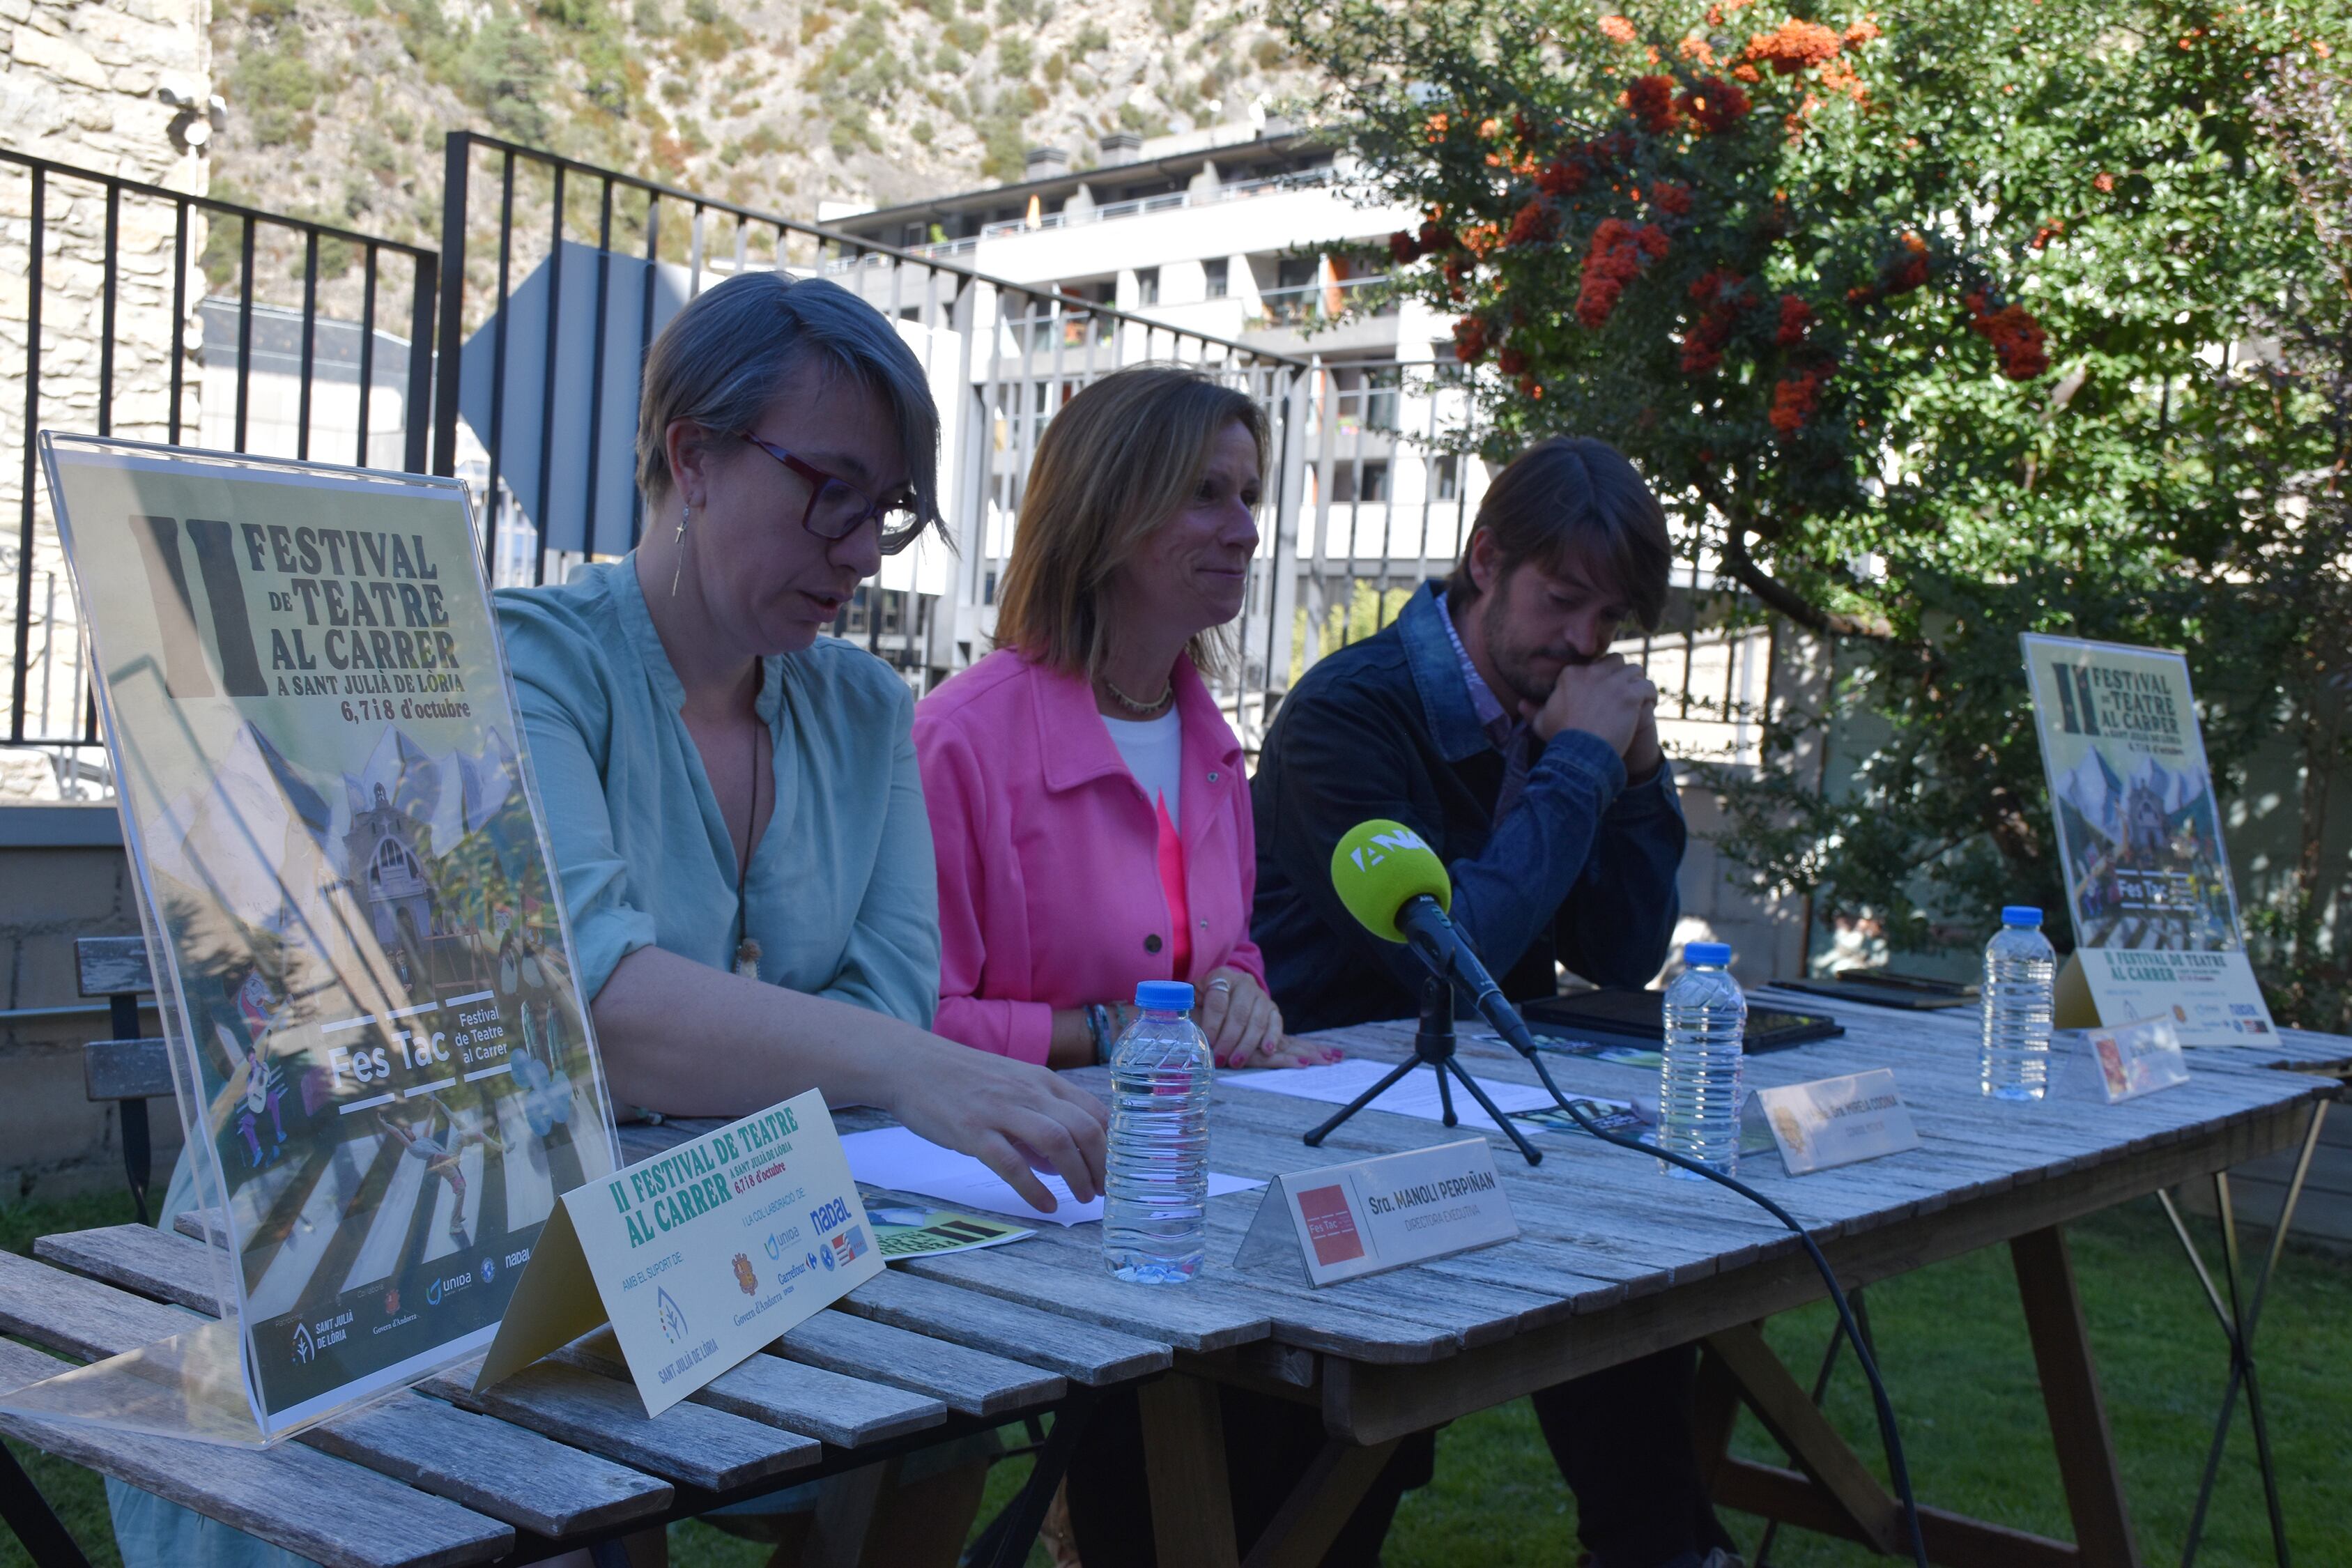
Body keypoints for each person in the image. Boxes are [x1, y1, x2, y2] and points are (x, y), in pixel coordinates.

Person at [494, 270, 1108, 1568]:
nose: (859, 548)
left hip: (747, 1233)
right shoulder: (526, 663)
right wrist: (900, 1066)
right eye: (829, 487)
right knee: (569, 1448)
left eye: (884, 508)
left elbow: (883, 997)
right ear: (693, 456)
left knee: (957, 1394)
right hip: (496, 1257)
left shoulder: (865, 710)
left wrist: (825, 1052)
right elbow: (593, 1011)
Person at [1250, 436, 1742, 1568]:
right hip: (1314, 1124)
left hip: (1478, 1118)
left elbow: (1620, 952)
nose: (1583, 644)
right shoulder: (1350, 715)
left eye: (1611, 623)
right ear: (1485, 560)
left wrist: (1635, 779)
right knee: (1325, 1491)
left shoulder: (1559, 716)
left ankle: (1660, 1546)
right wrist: (1579, 766)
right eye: (1563, 601)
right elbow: (1446, 957)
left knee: (1631, 1251)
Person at [915, 363, 1331, 1073]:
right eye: (1206, 494)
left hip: (1185, 1146)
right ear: (1102, 511)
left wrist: (1241, 993)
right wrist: (1115, 1028)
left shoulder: (1218, 748)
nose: (1247, 532)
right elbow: (913, 1014)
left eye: (1250, 497)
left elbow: (1228, 953)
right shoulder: (957, 741)